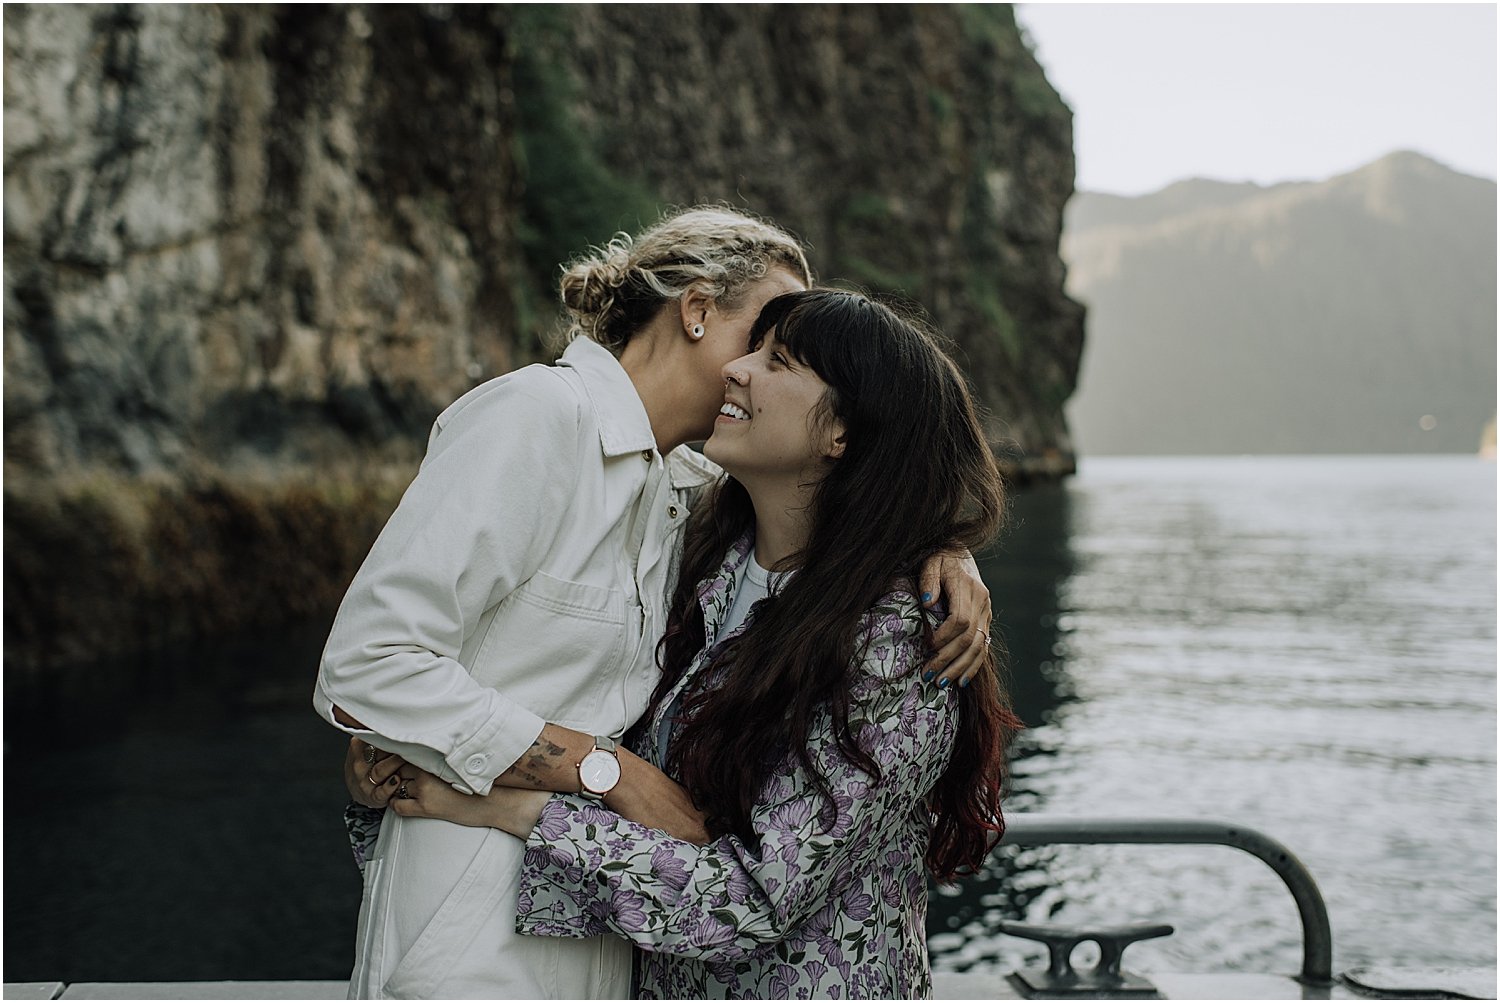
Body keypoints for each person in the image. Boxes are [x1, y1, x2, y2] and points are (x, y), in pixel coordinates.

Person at [315, 209, 994, 999]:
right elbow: (367, 663)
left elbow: (866, 485)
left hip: (609, 938)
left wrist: (941, 550)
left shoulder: (686, 492)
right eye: (763, 335)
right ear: (698, 310)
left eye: (783, 355)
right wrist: (610, 772)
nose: (749, 370)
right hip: (472, 932)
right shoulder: (539, 418)